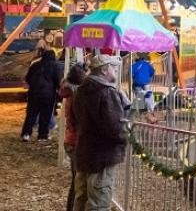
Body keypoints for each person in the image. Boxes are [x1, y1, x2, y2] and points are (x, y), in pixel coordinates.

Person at [72, 53, 129, 211]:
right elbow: (115, 128)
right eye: (113, 68)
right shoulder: (107, 92)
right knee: (99, 202)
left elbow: (77, 116)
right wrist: (126, 136)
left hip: (85, 152)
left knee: (81, 198)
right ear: (104, 70)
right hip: (101, 156)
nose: (116, 72)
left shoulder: (80, 90)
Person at [60, 62, 87, 211]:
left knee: (77, 181)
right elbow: (80, 120)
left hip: (71, 140)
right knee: (78, 183)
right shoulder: (76, 95)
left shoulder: (70, 91)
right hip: (76, 141)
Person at [20, 48, 62, 142]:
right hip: (48, 94)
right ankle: (42, 136)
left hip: (33, 93)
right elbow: (58, 81)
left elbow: (28, 79)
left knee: (31, 114)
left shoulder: (35, 65)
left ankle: (26, 134)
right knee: (45, 115)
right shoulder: (56, 66)